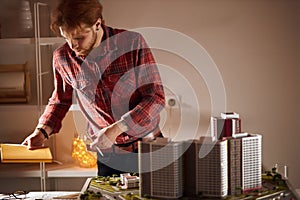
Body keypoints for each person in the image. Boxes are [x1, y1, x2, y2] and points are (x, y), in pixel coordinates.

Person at [22, 0, 165, 176]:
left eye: (78, 38)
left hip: (148, 146)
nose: (73, 47)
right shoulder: (62, 58)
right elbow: (60, 100)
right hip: (109, 155)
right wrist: (41, 131)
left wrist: (116, 129)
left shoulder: (131, 43)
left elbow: (155, 97)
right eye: (66, 38)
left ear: (97, 24)